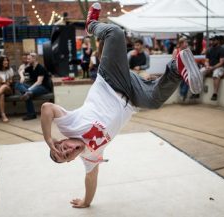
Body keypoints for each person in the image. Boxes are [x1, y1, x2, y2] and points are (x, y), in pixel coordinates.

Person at [41, 3, 202, 208]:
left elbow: (47, 108)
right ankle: (177, 67)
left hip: (111, 81)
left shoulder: (68, 124)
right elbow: (91, 179)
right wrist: (86, 202)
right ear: (72, 159)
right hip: (132, 97)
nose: (68, 150)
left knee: (115, 33)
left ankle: (91, 24)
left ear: (62, 140)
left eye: (63, 147)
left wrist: (48, 139)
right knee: (153, 101)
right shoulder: (90, 156)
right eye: (67, 155)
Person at [15, 52, 52, 120]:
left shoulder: (40, 68)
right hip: (33, 87)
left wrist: (29, 89)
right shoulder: (31, 67)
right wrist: (22, 76)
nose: (27, 60)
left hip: (43, 87)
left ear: (34, 58)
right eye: (27, 59)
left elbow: (39, 82)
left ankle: (31, 114)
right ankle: (27, 93)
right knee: (18, 84)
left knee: (28, 93)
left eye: (29, 59)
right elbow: (21, 71)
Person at [200, 36, 224, 101]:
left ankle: (215, 94)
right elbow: (206, 60)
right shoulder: (209, 49)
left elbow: (221, 63)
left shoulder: (222, 49)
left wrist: (213, 67)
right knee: (200, 72)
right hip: (210, 67)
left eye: (213, 40)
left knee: (216, 74)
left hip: (219, 67)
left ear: (218, 41)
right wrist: (207, 66)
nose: (212, 42)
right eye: (211, 40)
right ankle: (197, 91)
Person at [172, 37, 190, 101]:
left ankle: (182, 93)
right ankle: (182, 94)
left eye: (187, 42)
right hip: (178, 70)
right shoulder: (176, 50)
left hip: (186, 70)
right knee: (183, 80)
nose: (187, 44)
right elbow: (173, 61)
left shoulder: (187, 51)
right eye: (186, 42)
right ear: (181, 44)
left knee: (187, 80)